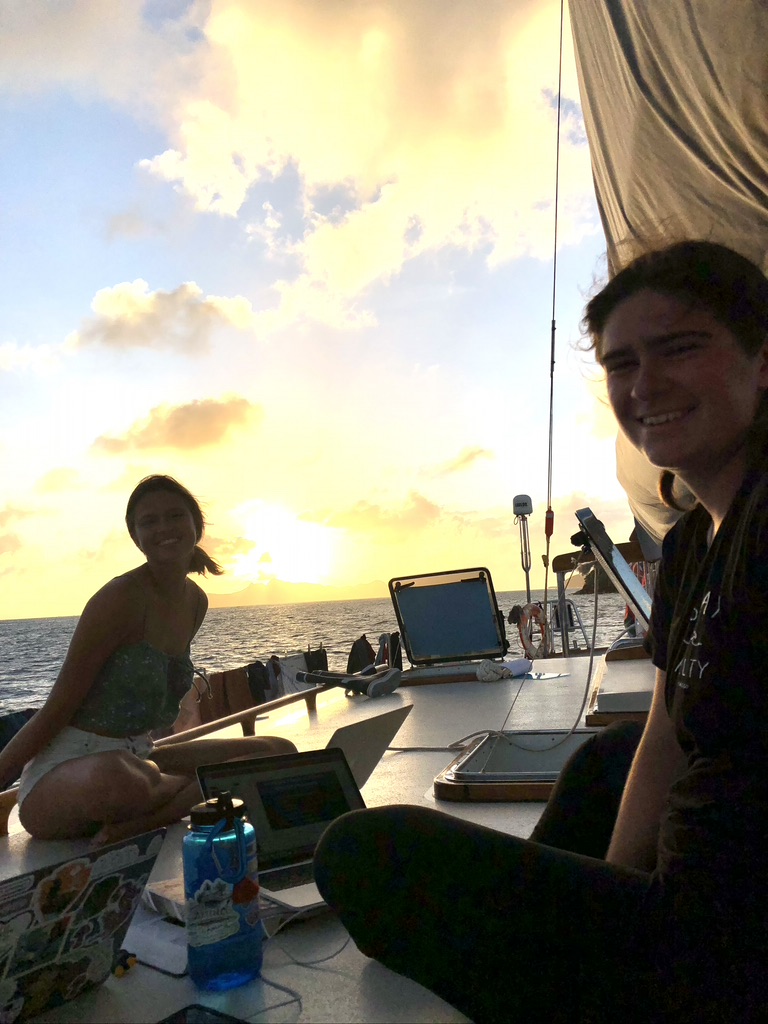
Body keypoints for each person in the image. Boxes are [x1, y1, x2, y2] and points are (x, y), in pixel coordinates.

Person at [313, 240, 768, 1022]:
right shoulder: (697, 540)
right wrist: (613, 893)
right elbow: (666, 729)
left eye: (680, 348)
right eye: (621, 363)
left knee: (361, 852)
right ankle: (588, 957)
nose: (644, 384)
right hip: (678, 900)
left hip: (725, 955)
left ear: (761, 361)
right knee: (610, 757)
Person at [0, 474, 295, 844]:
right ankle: (201, 790)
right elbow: (55, 712)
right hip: (67, 775)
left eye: (174, 516)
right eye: (149, 521)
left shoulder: (195, 602)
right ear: (135, 536)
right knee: (118, 777)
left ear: (196, 525)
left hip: (141, 757)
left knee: (279, 751)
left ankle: (144, 821)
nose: (163, 528)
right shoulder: (119, 599)